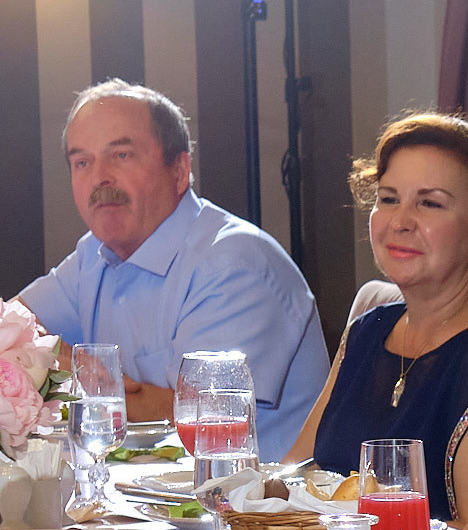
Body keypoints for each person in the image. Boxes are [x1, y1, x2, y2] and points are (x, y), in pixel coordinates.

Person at [15, 79, 329, 460]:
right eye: (82, 162)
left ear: (180, 170)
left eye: (121, 155)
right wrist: (71, 366)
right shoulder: (94, 256)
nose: (99, 178)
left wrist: (68, 375)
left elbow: (203, 423)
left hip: (258, 509)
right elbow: (8, 327)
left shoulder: (233, 263)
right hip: (146, 505)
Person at [284, 114, 468, 530]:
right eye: (388, 198)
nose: (399, 221)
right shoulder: (367, 332)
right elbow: (296, 472)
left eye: (430, 203)